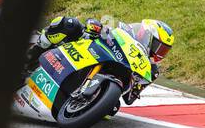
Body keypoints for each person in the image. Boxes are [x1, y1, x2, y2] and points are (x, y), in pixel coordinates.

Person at [25, 15, 174, 105]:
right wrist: (94, 26)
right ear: (146, 34)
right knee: (69, 24)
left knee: (112, 110)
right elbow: (102, 27)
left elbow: (129, 99)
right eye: (157, 45)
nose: (158, 52)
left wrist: (135, 85)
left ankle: (82, 103)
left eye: (163, 50)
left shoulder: (150, 70)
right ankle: (31, 56)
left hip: (105, 82)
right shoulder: (125, 32)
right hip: (88, 49)